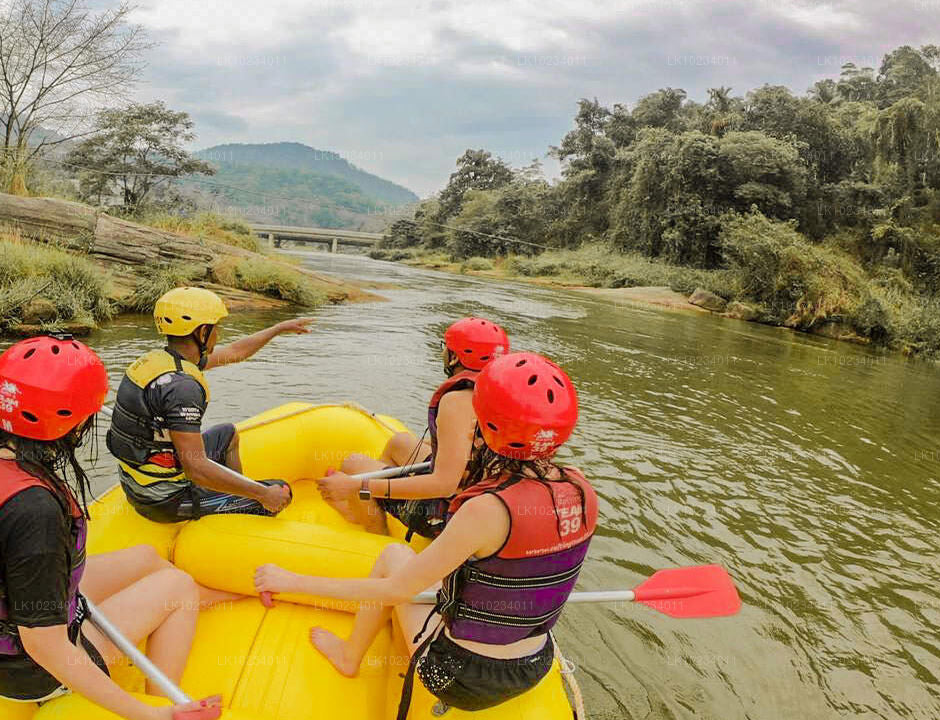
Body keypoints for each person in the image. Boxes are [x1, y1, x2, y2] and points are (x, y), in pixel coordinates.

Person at [255, 352, 595, 720]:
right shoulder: (581, 489)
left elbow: (394, 590)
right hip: (534, 664)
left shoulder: (485, 510)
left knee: (392, 558)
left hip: (459, 675)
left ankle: (348, 656)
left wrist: (289, 580)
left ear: (487, 426)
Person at [0, 335, 215, 720]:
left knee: (145, 558)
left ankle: (203, 599)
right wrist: (148, 714)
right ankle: (164, 702)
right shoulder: (35, 511)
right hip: (31, 673)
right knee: (177, 584)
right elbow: (45, 647)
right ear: (75, 423)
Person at [107, 286, 311, 523]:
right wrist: (262, 493)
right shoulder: (183, 387)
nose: (219, 335)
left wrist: (277, 329)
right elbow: (197, 468)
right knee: (280, 491)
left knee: (228, 434)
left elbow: (235, 352)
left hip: (139, 481)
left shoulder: (157, 361)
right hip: (164, 500)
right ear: (203, 332)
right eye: (216, 328)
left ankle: (232, 501)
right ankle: (239, 509)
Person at [317, 317, 509, 539]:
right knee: (399, 442)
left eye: (445, 349)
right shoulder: (501, 390)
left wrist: (357, 485)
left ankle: (377, 531)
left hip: (448, 514)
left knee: (353, 464)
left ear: (455, 357)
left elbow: (445, 485)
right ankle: (370, 509)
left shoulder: (457, 401)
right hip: (483, 492)